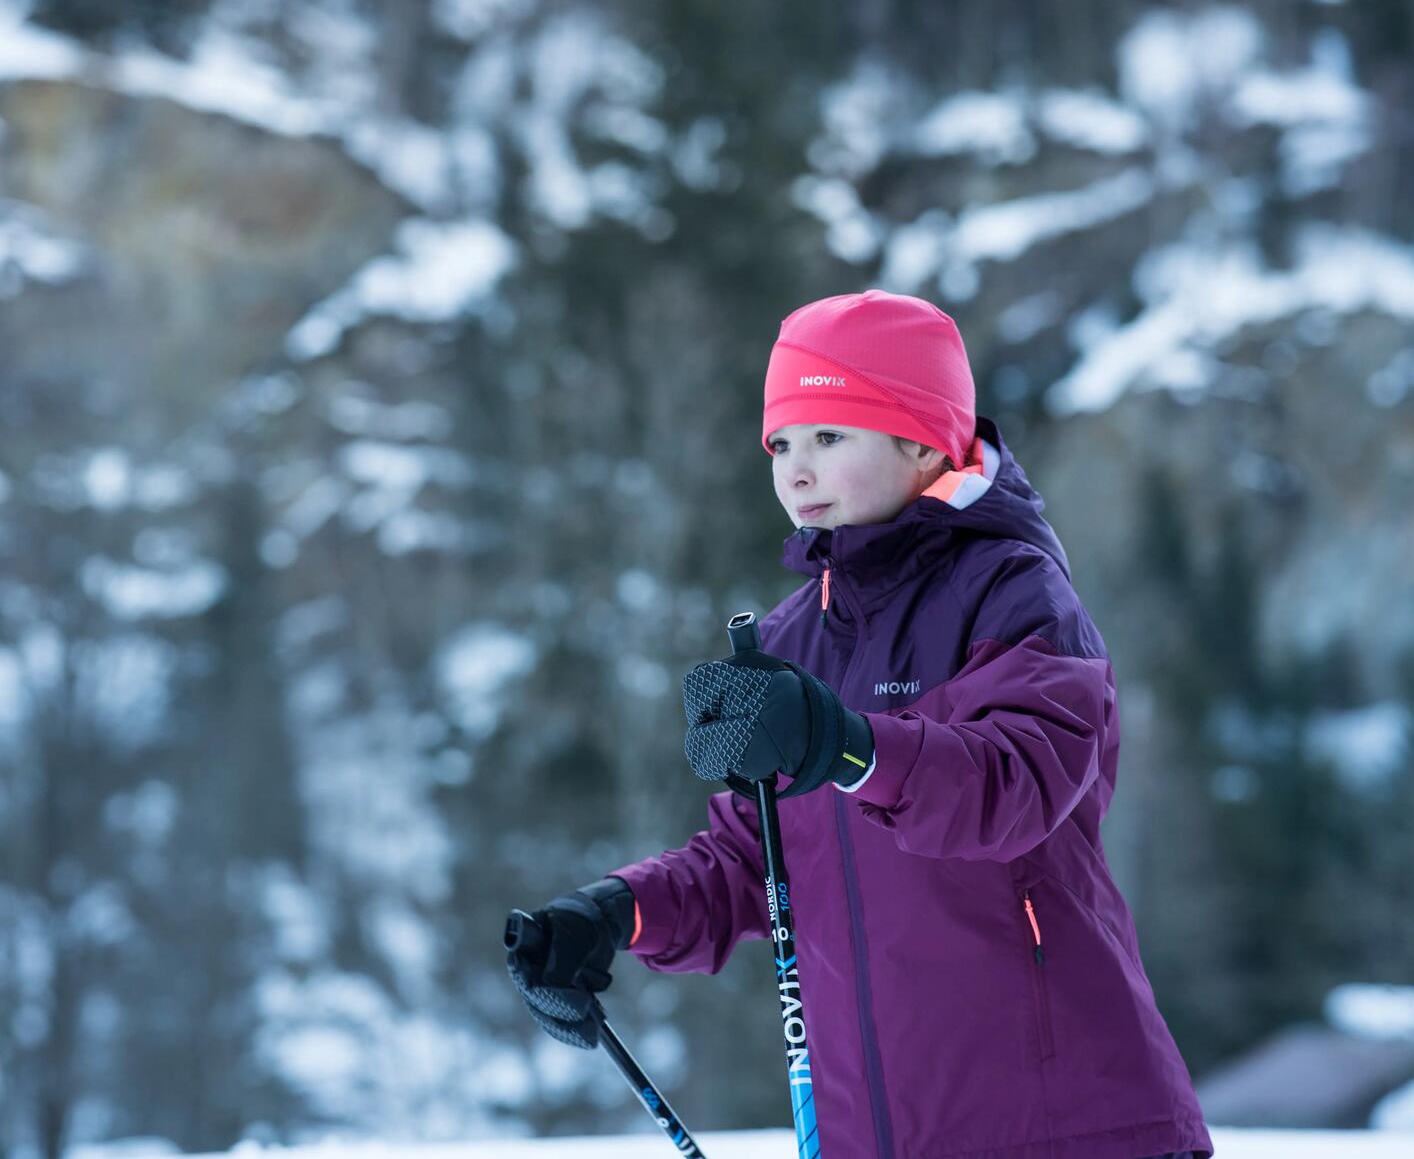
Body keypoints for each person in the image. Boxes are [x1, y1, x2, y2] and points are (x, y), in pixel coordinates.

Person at [507, 290, 1214, 1159]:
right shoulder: (788, 638)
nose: (795, 471)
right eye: (781, 445)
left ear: (921, 441)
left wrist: (844, 744)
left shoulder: (1013, 591)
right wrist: (613, 913)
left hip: (1068, 1130)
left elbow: (1011, 786)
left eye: (829, 437)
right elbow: (752, 860)